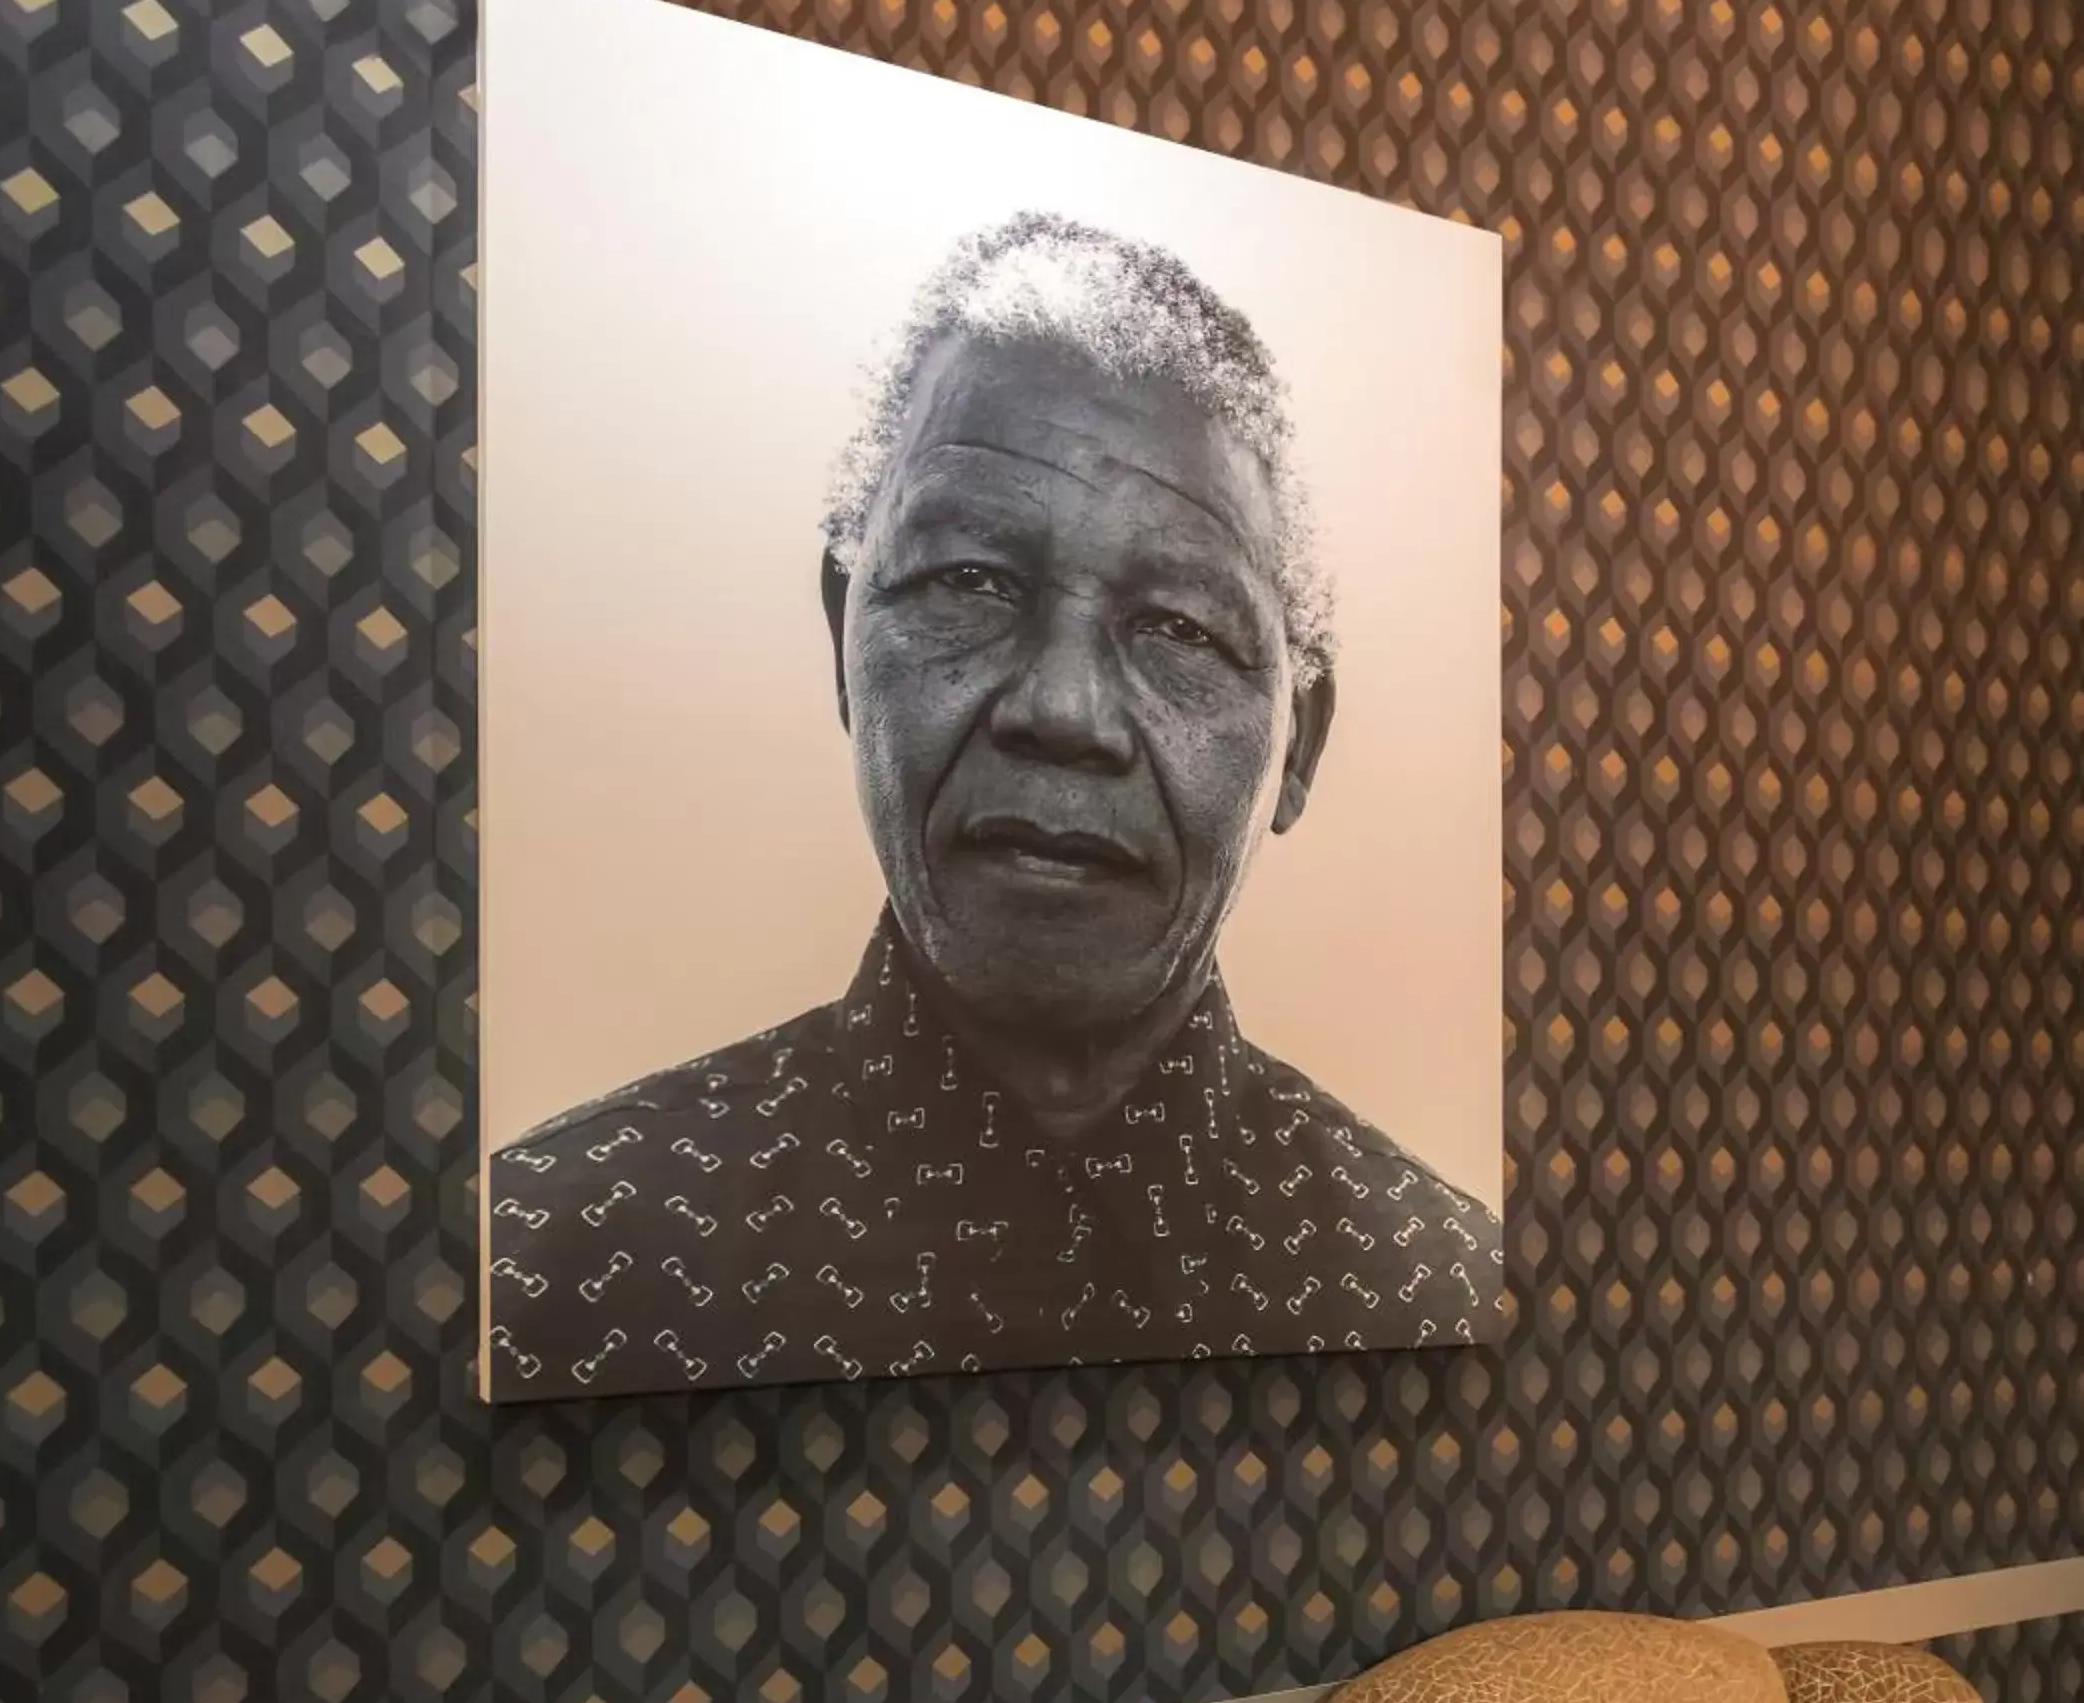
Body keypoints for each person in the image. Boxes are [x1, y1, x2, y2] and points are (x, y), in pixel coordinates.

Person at [485, 212, 1499, 1398]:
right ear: (842, 639)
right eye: (971, 579)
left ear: (1298, 746)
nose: (1063, 710)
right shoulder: (548, 1260)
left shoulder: (1429, 1277)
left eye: (1179, 626)